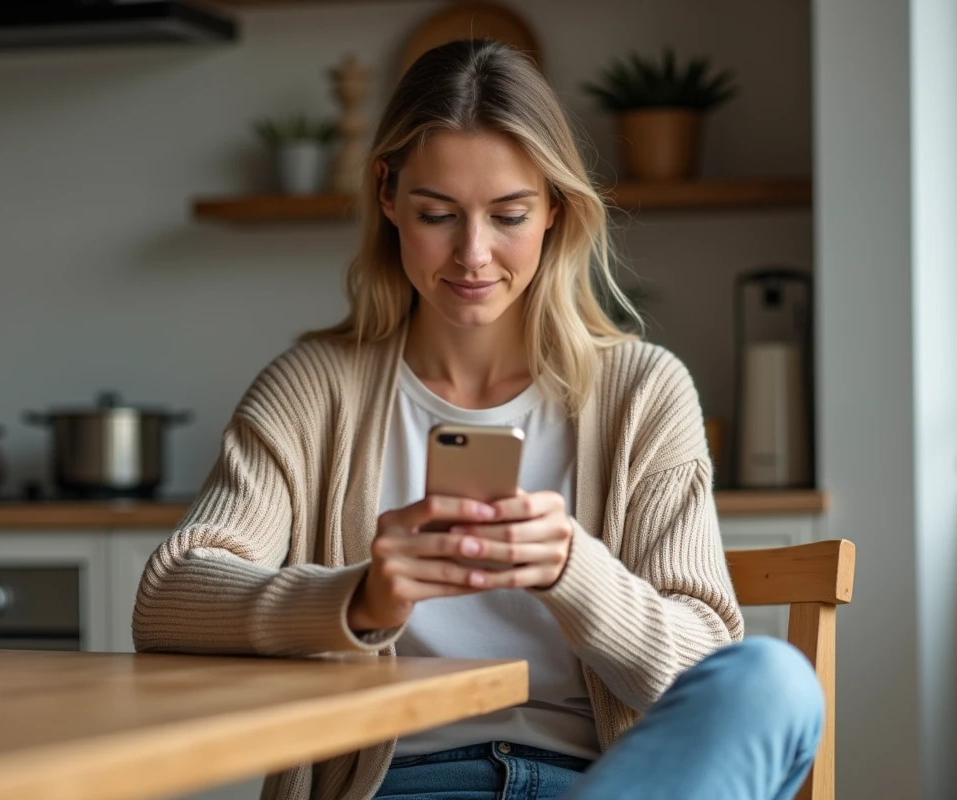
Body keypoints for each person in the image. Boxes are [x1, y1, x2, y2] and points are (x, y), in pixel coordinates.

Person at [134, 39, 823, 800]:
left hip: (604, 784)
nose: (473, 253)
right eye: (438, 214)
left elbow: (706, 675)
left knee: (772, 677)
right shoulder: (314, 388)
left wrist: (575, 571)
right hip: (401, 784)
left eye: (509, 214)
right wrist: (360, 599)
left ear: (555, 210)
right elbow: (170, 597)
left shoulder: (643, 393)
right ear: (387, 195)